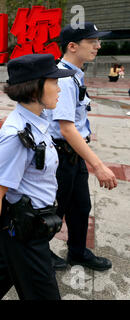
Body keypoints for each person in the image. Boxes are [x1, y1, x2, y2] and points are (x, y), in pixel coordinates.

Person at [0, 54, 76, 300]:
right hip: (25, 235)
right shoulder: (17, 135)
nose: (59, 87)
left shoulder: (40, 119)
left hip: (28, 228)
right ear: (35, 87)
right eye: (53, 82)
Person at [45, 22, 117, 271]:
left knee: (80, 207)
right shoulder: (63, 78)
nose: (98, 46)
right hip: (61, 157)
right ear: (73, 46)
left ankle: (77, 251)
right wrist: (98, 165)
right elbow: (66, 128)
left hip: (73, 155)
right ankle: (39, 255)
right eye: (92, 41)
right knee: (54, 211)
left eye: (98, 40)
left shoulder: (75, 73)